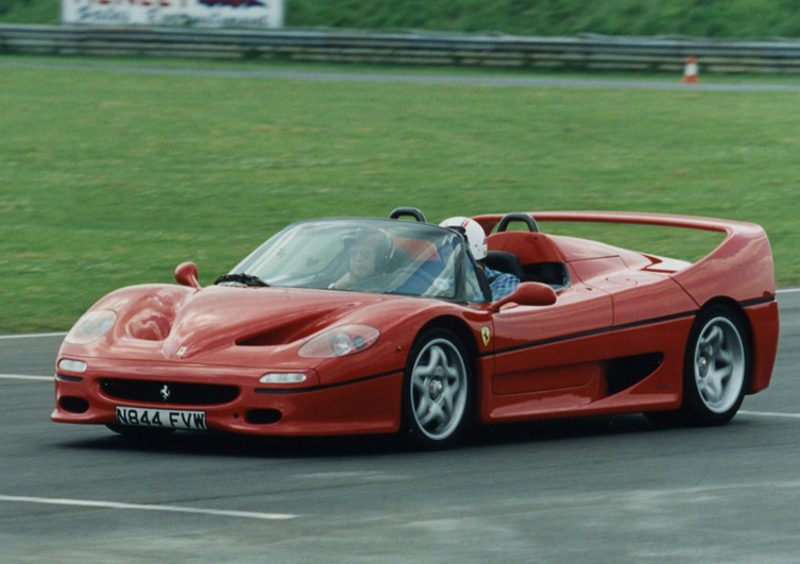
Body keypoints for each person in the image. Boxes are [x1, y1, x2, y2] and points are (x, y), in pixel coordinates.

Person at [439, 216, 520, 302]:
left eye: (452, 250)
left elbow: (495, 312)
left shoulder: (505, 281)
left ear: (473, 247)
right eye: (443, 250)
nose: (447, 256)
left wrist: (470, 295)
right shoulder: (442, 282)